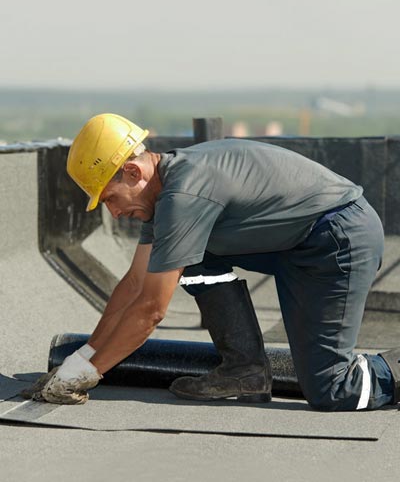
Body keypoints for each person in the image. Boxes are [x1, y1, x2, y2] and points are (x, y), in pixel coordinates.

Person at [23, 113, 399, 411]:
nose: (115, 213)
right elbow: (136, 285)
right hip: (296, 244)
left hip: (337, 240)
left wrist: (88, 374)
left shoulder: (184, 195)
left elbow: (151, 310)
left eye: (110, 198)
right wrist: (81, 356)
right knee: (189, 256)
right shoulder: (162, 202)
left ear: (134, 172)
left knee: (334, 389)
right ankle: (244, 370)